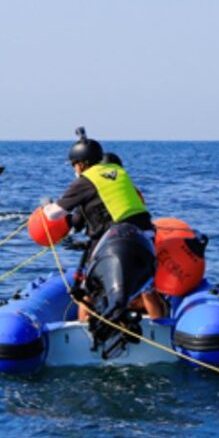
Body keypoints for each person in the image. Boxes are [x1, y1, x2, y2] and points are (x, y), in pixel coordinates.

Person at [43, 128, 165, 320]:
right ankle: (162, 325)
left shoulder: (86, 181)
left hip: (115, 240)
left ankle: (85, 331)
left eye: (74, 165)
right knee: (147, 287)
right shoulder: (119, 173)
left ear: (81, 164)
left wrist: (46, 206)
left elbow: (54, 215)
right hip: (144, 237)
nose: (74, 169)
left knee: (87, 291)